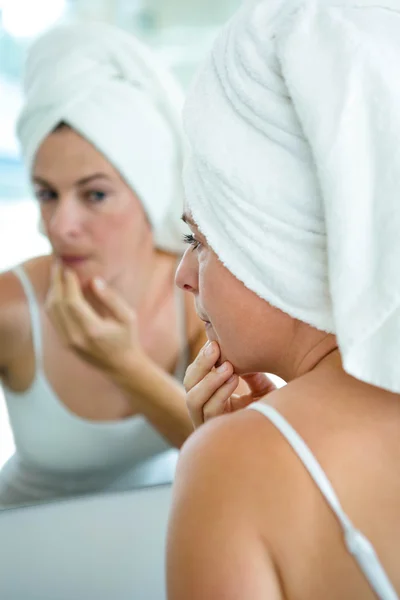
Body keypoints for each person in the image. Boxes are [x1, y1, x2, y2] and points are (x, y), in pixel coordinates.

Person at [166, 0, 400, 598]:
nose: (182, 275)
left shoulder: (234, 469)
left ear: (272, 240)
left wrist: (235, 459)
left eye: (199, 239)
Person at [0, 22, 207, 507]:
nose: (59, 225)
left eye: (95, 195)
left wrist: (123, 364)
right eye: (47, 194)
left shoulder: (199, 293)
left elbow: (237, 457)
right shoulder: (11, 307)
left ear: (148, 192)